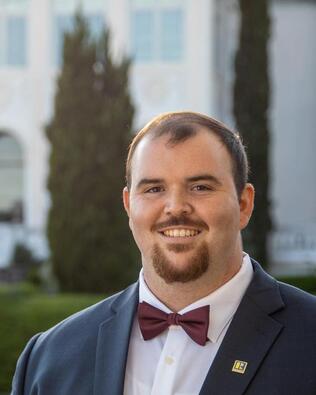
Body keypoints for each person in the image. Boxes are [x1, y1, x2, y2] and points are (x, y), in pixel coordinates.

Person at [12, 112, 316, 395]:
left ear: (244, 205)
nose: (175, 207)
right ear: (129, 206)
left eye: (200, 187)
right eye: (154, 189)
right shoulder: (48, 357)